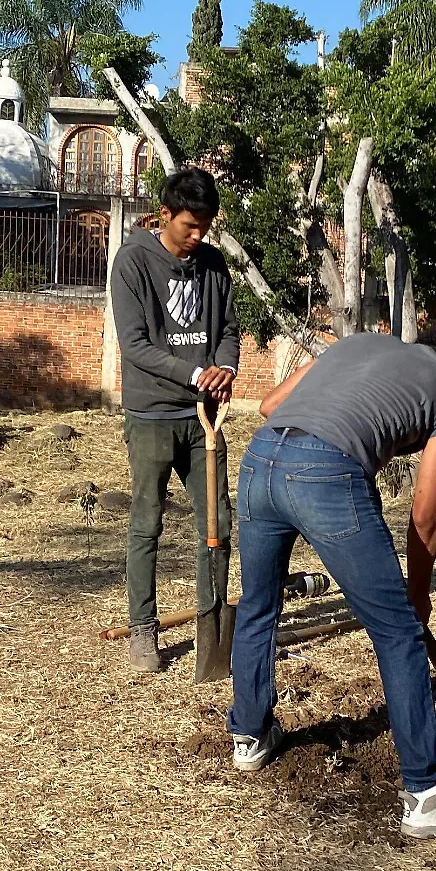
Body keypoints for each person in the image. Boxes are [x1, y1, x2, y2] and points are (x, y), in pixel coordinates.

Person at [226, 330, 436, 840]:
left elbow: (269, 404)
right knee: (398, 634)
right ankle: (429, 796)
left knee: (259, 607)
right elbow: (425, 513)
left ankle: (250, 737)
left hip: (260, 462)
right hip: (325, 474)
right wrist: (418, 595)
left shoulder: (359, 343)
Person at [109, 167, 240, 680]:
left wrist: (226, 368)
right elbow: (135, 345)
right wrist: (194, 372)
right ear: (165, 215)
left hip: (203, 419)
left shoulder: (213, 265)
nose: (198, 234)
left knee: (219, 526)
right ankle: (144, 628)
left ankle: (213, 621)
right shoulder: (132, 262)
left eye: (205, 225)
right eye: (190, 224)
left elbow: (228, 329)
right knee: (147, 524)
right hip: (151, 417)